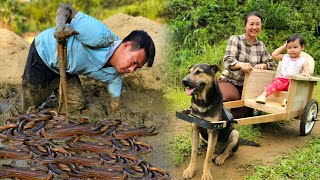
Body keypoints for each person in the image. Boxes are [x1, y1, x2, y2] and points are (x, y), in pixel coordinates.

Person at [21, 3, 155, 115]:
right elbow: (65, 7)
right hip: (44, 53)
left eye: (137, 68)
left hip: (66, 69)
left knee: (77, 104)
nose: (132, 70)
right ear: (126, 46)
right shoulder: (99, 35)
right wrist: (60, 28)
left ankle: (51, 103)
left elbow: (115, 103)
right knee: (25, 108)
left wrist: (115, 114)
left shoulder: (114, 76)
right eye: (134, 62)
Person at [218, 11, 276, 118]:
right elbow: (227, 60)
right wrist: (240, 64)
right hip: (230, 81)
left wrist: (264, 65)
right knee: (227, 96)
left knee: (241, 116)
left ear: (261, 26)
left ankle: (232, 116)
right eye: (251, 24)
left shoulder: (261, 46)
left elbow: (273, 64)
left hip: (248, 87)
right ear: (245, 26)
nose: (254, 27)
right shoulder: (236, 39)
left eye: (257, 24)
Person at [256, 34, 311, 104]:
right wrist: (283, 47)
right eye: (289, 47)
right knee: (274, 84)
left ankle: (287, 101)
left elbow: (307, 70)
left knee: (295, 90)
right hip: (282, 80)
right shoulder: (285, 57)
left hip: (293, 82)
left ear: (302, 47)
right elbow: (274, 55)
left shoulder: (303, 60)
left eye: (295, 47)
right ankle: (262, 96)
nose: (292, 50)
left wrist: (306, 73)